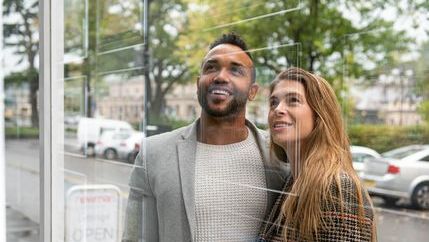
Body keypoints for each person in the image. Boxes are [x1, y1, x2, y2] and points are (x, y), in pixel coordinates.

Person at [122, 32, 287, 242]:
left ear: (252, 91)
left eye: (235, 70)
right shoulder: (153, 154)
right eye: (211, 67)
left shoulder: (280, 155)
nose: (220, 76)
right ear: (198, 82)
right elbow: (135, 238)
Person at [258, 67, 376, 241]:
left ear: (319, 115)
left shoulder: (336, 188)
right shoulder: (293, 180)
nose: (278, 109)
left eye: (293, 100)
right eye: (274, 102)